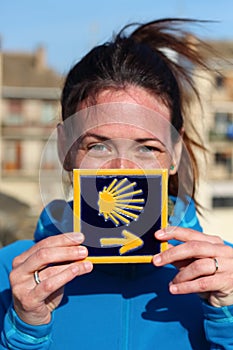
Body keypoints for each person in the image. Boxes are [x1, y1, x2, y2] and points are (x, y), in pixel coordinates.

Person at [1, 18, 233, 350]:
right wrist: (23, 332)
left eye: (147, 147)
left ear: (175, 152)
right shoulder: (11, 274)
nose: (122, 168)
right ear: (64, 148)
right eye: (98, 146)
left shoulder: (226, 275)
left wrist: (228, 319)